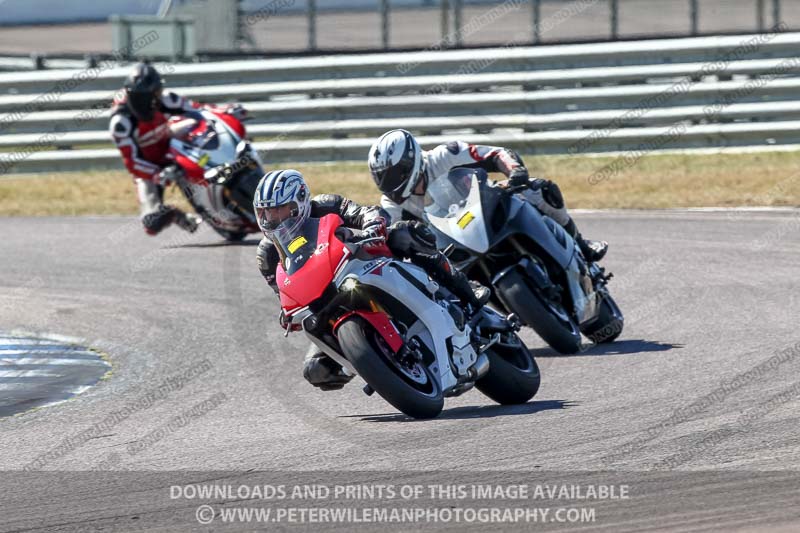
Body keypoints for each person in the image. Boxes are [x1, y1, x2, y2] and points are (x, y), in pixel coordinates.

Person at [254, 169, 490, 391]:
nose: (271, 218)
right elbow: (284, 292)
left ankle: (465, 289)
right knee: (315, 371)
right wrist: (287, 315)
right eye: (265, 212)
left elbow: (364, 212)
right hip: (325, 301)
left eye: (278, 209)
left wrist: (372, 225)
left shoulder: (326, 205)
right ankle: (375, 364)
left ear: (300, 202)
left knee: (406, 233)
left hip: (358, 264)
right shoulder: (267, 255)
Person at [367, 129, 608, 262]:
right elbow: (387, 236)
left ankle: (580, 244)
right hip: (453, 243)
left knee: (542, 190)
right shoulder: (391, 205)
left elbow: (495, 154)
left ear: (410, 163)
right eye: (381, 177)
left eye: (391, 175)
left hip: (486, 209)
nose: (387, 184)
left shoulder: (445, 156)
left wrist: (515, 171)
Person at [109, 62, 246, 236]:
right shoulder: (121, 123)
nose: (152, 102)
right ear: (131, 96)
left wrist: (225, 110)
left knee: (195, 126)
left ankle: (230, 163)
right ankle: (174, 215)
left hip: (171, 144)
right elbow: (132, 162)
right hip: (148, 166)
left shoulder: (166, 99)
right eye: (144, 97)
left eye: (154, 95)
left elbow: (199, 109)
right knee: (151, 223)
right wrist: (157, 173)